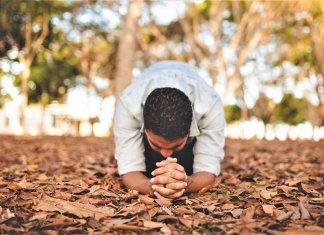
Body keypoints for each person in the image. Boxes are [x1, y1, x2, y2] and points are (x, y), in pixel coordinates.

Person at [113, 61, 226, 199]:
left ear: (189, 131)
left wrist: (187, 183)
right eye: (156, 144)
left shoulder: (210, 104)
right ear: (145, 127)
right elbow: (129, 169)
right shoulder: (128, 103)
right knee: (151, 167)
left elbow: (208, 169)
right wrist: (151, 186)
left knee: (185, 164)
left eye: (177, 145)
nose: (166, 154)